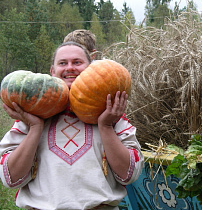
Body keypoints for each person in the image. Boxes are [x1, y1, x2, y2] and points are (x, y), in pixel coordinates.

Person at [0, 41, 144, 209]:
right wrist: (35, 127)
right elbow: (10, 178)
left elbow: (129, 175)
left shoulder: (111, 115)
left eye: (77, 62)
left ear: (90, 69)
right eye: (63, 63)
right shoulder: (31, 115)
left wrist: (104, 126)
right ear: (52, 72)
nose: (70, 68)